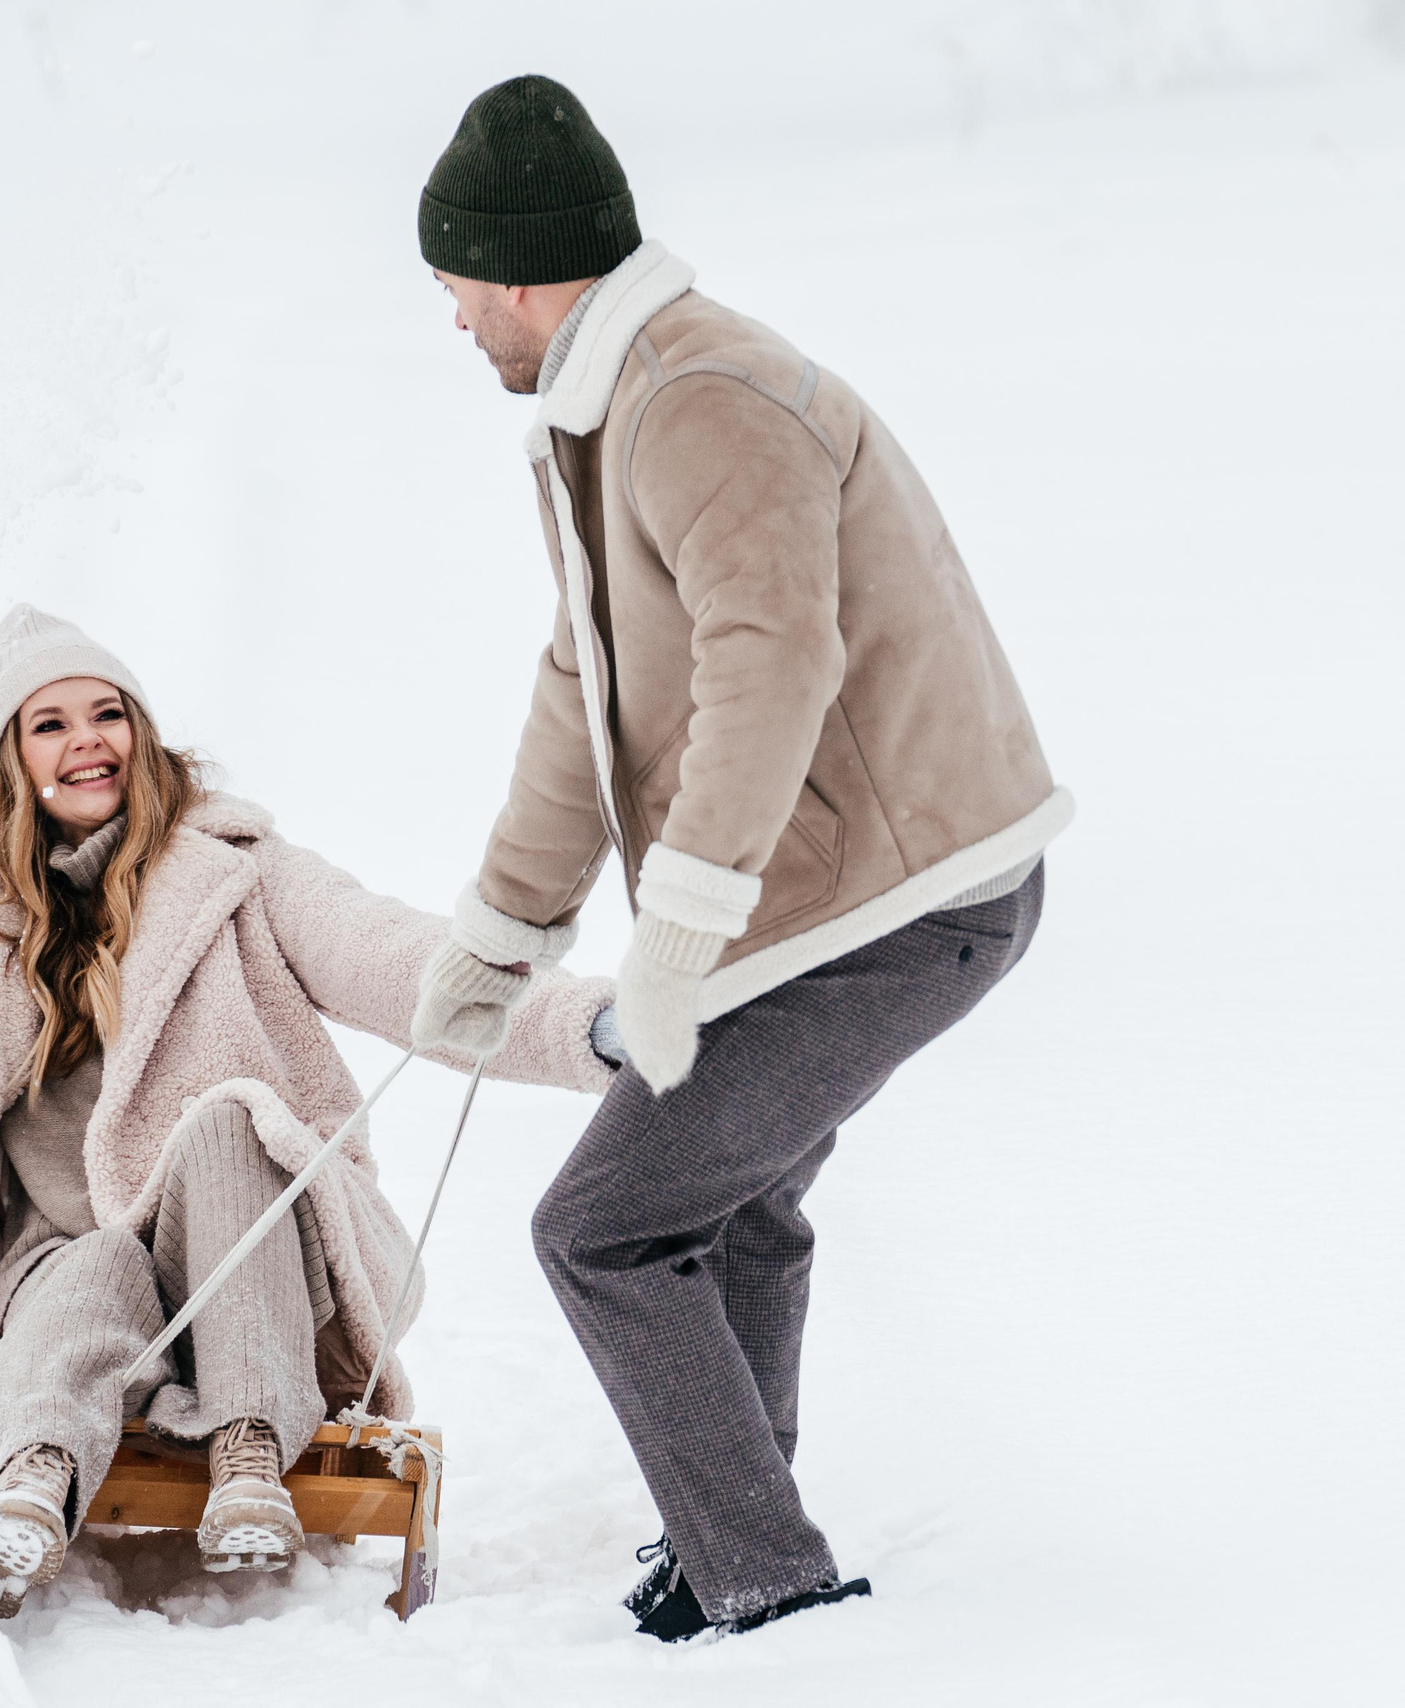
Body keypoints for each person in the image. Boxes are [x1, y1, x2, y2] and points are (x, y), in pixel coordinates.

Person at [0, 486, 618, 1618]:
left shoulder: (241, 874)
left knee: (229, 1120)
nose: (84, 738)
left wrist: (585, 1025)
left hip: (251, 1255)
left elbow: (399, 957)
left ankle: (252, 1443)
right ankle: (33, 1478)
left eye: (106, 711)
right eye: (49, 723)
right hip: (70, 1278)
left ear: (141, 732)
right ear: (15, 761)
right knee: (87, 1256)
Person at [406, 78, 1073, 1641]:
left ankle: (766, 1585)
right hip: (830, 898)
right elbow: (590, 687)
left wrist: (682, 935)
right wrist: (500, 932)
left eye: (448, 287)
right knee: (733, 1201)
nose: (447, 321)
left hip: (908, 901)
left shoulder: (701, 398)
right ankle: (736, 1529)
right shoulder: (605, 411)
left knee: (605, 1229)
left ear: (518, 272)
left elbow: (775, 661)